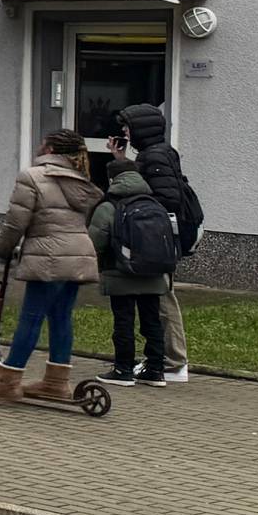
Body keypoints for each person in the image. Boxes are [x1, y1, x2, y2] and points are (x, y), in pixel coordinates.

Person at [0, 130, 103, 402]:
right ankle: (56, 382)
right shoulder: (83, 180)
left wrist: (2, 250)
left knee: (31, 318)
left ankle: (7, 381)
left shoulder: (32, 176)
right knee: (61, 317)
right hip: (79, 255)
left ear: (50, 148)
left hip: (48, 256)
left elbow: (16, 221)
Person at [116, 103, 193, 382]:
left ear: (140, 129)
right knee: (160, 295)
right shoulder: (157, 154)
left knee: (162, 297)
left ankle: (174, 361)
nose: (124, 131)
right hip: (158, 237)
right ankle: (166, 360)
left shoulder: (156, 157)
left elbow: (165, 199)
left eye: (127, 126)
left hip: (156, 239)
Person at [86, 159, 171, 387]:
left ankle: (123, 369)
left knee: (124, 321)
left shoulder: (109, 206)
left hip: (120, 272)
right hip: (153, 273)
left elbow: (95, 241)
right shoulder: (154, 203)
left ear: (112, 179)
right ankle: (155, 370)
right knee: (152, 320)